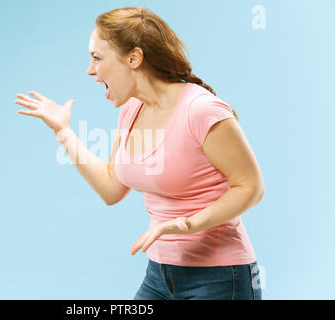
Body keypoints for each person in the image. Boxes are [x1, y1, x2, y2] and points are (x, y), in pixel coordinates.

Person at [14, 6, 264, 300]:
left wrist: (187, 224)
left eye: (96, 58)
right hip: (159, 274)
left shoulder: (201, 110)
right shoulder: (132, 109)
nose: (90, 70)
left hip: (221, 277)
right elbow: (111, 189)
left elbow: (251, 187)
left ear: (134, 58)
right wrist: (63, 132)